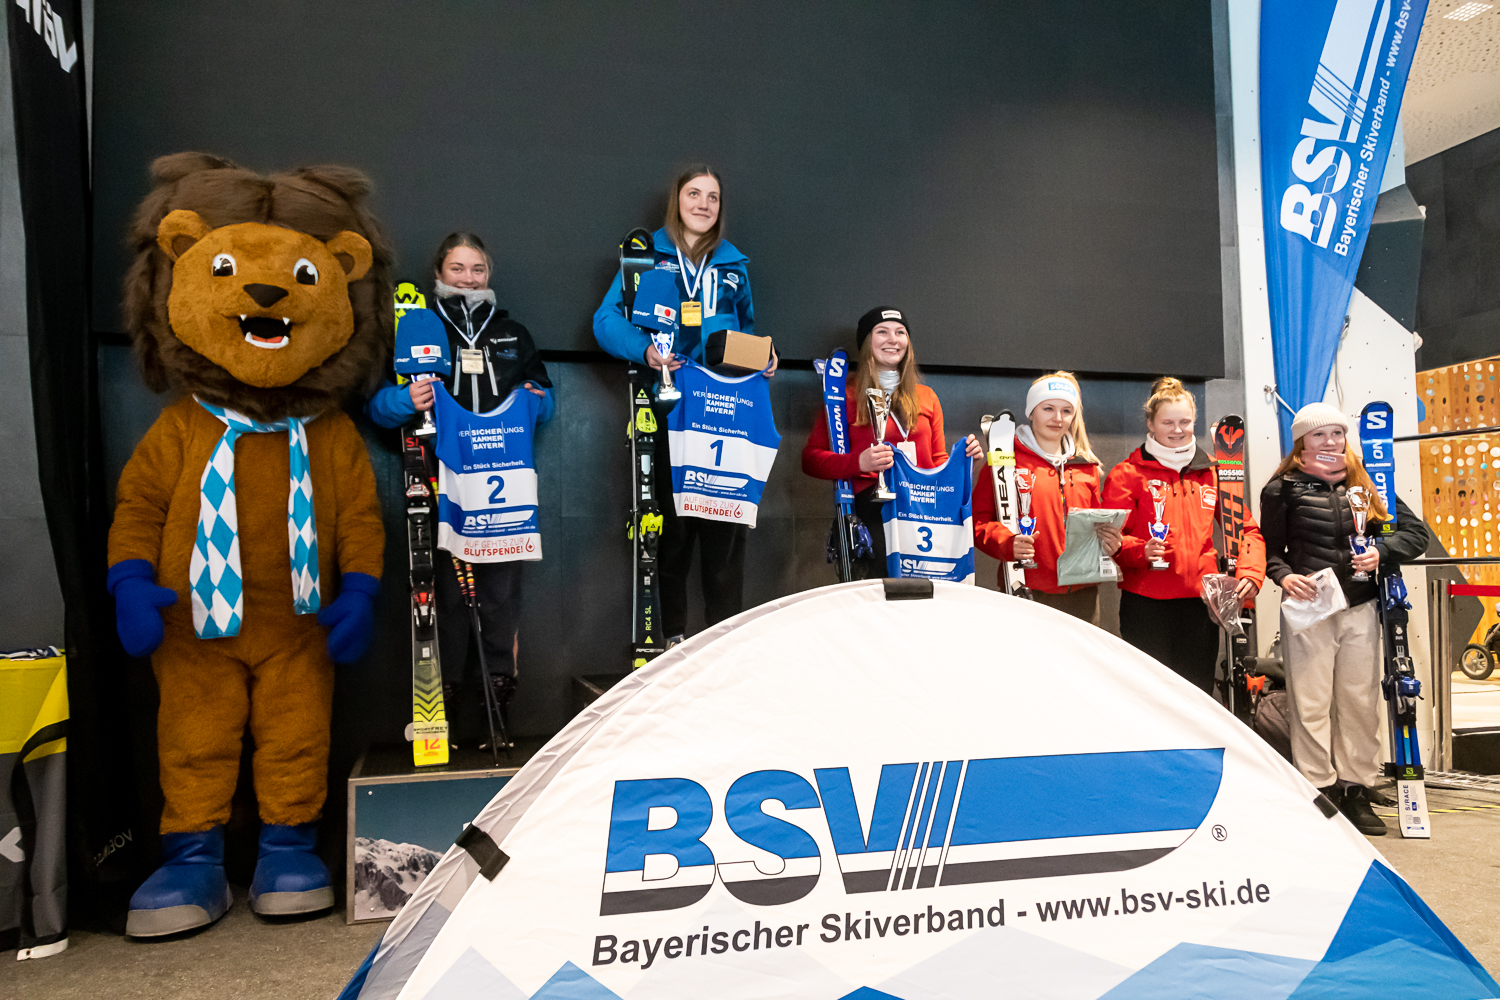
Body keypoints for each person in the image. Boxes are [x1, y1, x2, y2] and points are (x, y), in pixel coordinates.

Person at [367, 232, 553, 744]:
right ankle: (441, 713)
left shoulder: (513, 334)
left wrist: (534, 400)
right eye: (457, 268)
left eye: (477, 269)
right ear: (438, 274)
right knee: (445, 600)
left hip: (504, 486)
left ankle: (499, 711)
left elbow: (547, 400)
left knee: (499, 600)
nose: (468, 278)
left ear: (488, 274)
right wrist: (406, 400)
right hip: (437, 480)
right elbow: (376, 406)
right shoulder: (415, 328)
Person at [593, 165, 775, 639]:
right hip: (669, 409)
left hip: (724, 415)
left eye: (713, 197)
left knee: (725, 537)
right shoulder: (644, 256)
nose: (703, 204)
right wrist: (645, 350)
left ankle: (723, 645)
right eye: (694, 194)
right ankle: (671, 639)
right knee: (672, 534)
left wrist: (763, 357)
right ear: (676, 200)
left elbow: (745, 331)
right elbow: (605, 320)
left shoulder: (734, 266)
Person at [1259, 402, 1429, 836]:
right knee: (1311, 703)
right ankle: (1319, 789)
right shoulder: (1281, 489)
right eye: (1319, 434)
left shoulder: (1367, 483)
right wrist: (1284, 576)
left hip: (1360, 606)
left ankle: (1356, 788)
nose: (1330, 441)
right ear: (1302, 441)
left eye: (1337, 433)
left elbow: (1416, 535)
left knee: (1359, 702)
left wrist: (1381, 552)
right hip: (1310, 609)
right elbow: (1270, 549)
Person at [1103, 377, 1266, 694]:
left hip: (1200, 604)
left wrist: (1250, 572)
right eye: (1168, 422)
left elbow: (1246, 528)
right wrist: (1139, 550)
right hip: (1146, 605)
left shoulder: (1212, 472)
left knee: (1196, 694)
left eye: (1185, 422)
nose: (1177, 430)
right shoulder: (1127, 473)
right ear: (1151, 424)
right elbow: (1110, 537)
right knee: (1150, 695)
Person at [801, 306, 982, 578]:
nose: (893, 340)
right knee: (884, 590)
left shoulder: (926, 396)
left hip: (924, 509)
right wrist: (858, 462)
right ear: (867, 342)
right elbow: (810, 459)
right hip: (874, 506)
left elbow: (938, 460)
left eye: (900, 332)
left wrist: (963, 465)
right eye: (882, 332)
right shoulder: (844, 395)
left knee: (926, 590)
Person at [973, 372, 1120, 622]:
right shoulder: (1004, 460)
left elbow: (1096, 527)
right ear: (1032, 412)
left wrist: (1110, 542)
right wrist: (1007, 543)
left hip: (1083, 594)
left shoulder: (1086, 467)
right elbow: (978, 521)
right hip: (1028, 589)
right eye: (1048, 408)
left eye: (1066, 411)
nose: (1057, 418)